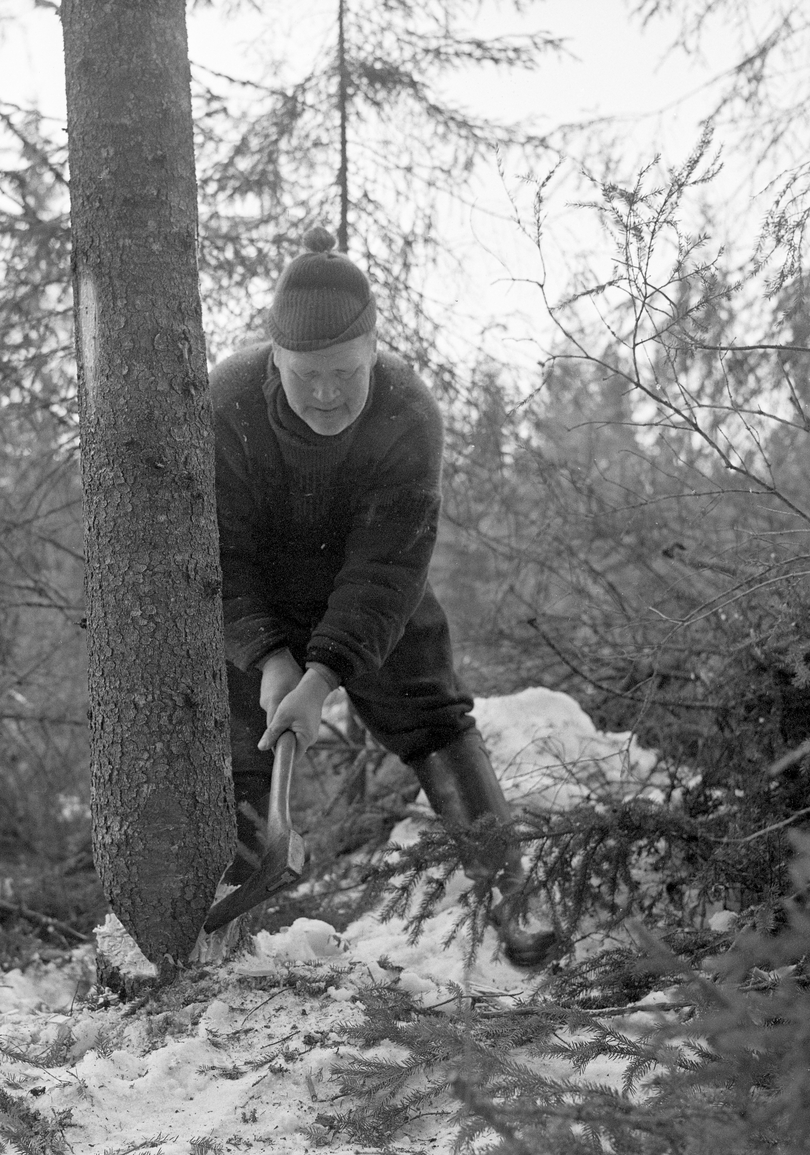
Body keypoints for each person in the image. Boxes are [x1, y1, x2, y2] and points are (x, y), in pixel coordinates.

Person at [209, 226, 555, 967]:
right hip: (256, 606)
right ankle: (222, 936)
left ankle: (513, 900)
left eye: (346, 373)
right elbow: (220, 554)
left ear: (373, 351)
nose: (327, 394)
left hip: (370, 600)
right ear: (276, 359)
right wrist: (270, 659)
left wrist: (324, 674)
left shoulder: (408, 411)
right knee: (242, 753)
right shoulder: (227, 404)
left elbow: (388, 569)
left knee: (435, 722)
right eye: (308, 377)